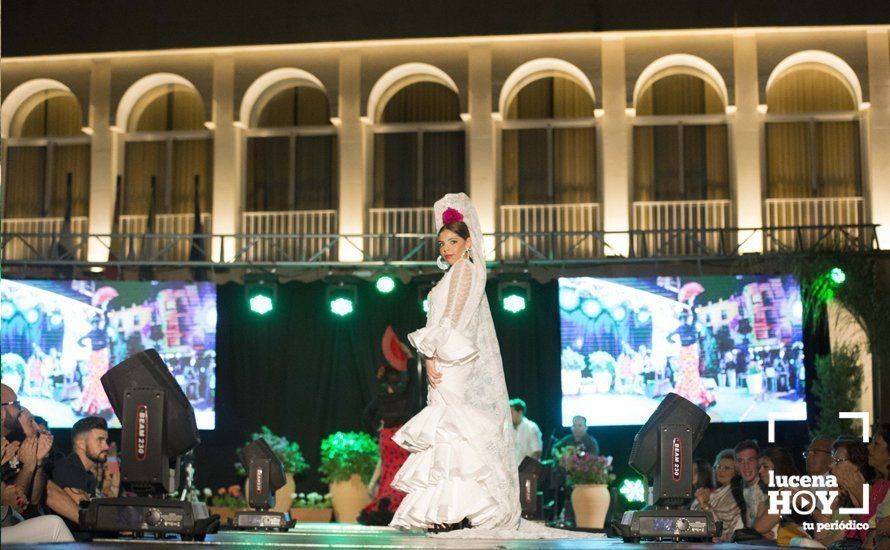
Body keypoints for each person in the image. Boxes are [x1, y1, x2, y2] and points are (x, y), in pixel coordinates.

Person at [359, 328, 416, 526]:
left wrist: (379, 428)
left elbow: (366, 415)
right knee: (402, 473)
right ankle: (398, 507)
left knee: (388, 473)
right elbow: (412, 382)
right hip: (402, 439)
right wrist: (409, 359)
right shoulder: (404, 397)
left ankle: (384, 504)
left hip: (387, 439)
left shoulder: (380, 399)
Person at [52, 416, 118, 500]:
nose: (106, 447)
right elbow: (87, 512)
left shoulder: (87, 474)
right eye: (100, 440)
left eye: (106, 441)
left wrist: (115, 474)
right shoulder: (68, 471)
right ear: (81, 444)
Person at [691, 449, 744, 541]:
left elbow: (720, 528)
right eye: (718, 466)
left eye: (726, 468)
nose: (720, 471)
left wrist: (705, 504)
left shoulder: (737, 495)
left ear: (737, 471)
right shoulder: (713, 493)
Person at [509, 398, 542, 465]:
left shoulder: (531, 428)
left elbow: (536, 453)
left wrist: (524, 470)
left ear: (520, 413)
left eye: (511, 413)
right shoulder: (507, 428)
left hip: (529, 472)